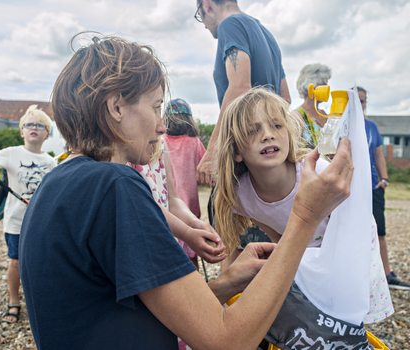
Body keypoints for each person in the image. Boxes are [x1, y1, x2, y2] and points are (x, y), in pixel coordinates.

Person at [19, 33, 354, 350]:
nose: (162, 125)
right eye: (154, 107)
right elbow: (226, 341)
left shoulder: (57, 183)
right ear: (117, 107)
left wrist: (228, 282)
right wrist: (305, 217)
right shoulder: (116, 186)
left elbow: (121, 315)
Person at [214, 87, 393, 324]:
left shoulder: (317, 175)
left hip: (350, 239)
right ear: (236, 150)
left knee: (345, 309)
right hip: (307, 247)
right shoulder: (242, 196)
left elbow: (351, 226)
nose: (268, 135)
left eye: (276, 125)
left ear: (288, 133)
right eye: (252, 130)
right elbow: (278, 234)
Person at [0, 105, 56, 323]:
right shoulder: (11, 153)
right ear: (22, 131)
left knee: (39, 263)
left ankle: (38, 300)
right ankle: (14, 301)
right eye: (29, 124)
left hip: (39, 222)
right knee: (16, 262)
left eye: (40, 126)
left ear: (47, 134)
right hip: (15, 220)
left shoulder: (50, 162)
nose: (34, 128)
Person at [194, 0, 291, 187]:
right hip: (267, 163)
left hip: (244, 156)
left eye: (200, 16)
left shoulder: (230, 25)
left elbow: (240, 86)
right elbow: (285, 98)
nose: (204, 25)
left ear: (207, 6)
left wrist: (213, 151)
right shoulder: (266, 34)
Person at [129, 136, 226, 265]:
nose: (163, 127)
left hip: (167, 243)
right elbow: (147, 206)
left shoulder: (161, 145)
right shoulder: (124, 155)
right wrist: (187, 233)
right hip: (142, 251)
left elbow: (172, 198)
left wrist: (194, 222)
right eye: (154, 114)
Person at [358, 86, 410, 290]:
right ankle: (359, 276)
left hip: (372, 186)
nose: (361, 105)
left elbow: (379, 155)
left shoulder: (371, 126)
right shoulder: (341, 126)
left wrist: (385, 179)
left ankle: (387, 274)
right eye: (357, 100)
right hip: (351, 188)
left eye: (363, 101)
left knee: (379, 231)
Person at [162, 98, 207, 266]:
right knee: (192, 254)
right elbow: (205, 169)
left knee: (172, 255)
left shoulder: (162, 142)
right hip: (189, 208)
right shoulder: (194, 142)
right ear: (189, 119)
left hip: (168, 208)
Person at [295, 63, 332, 148]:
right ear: (309, 88)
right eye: (322, 85)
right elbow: (294, 151)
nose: (327, 88)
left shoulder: (324, 113)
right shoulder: (298, 116)